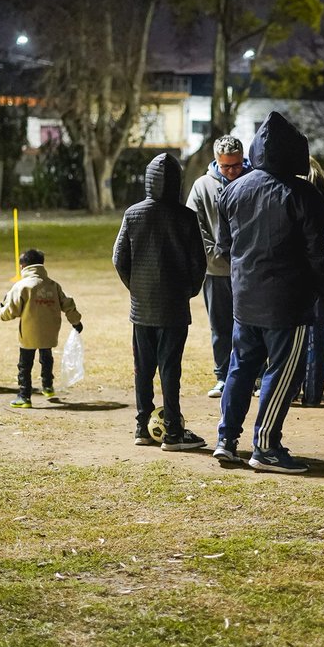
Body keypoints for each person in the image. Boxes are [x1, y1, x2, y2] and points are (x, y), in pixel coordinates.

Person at [211, 111, 324, 473]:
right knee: (282, 372)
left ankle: (226, 440)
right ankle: (265, 446)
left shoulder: (233, 190)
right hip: (287, 303)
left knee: (240, 368)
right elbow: (317, 252)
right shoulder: (303, 194)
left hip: (244, 297)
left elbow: (225, 245)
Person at [114, 153, 208, 451]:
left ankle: (142, 426)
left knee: (143, 369)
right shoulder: (186, 217)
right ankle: (172, 432)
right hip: (174, 308)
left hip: (141, 309)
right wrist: (188, 291)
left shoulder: (133, 214)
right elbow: (199, 262)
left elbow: (119, 259)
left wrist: (136, 288)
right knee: (171, 370)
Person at [185, 135, 251, 399]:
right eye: (226, 167)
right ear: (216, 162)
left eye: (236, 165)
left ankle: (254, 375)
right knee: (220, 326)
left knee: (250, 325)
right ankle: (223, 376)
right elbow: (195, 224)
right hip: (216, 270)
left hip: (249, 269)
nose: (232, 171)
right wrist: (212, 253)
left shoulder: (252, 180)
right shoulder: (202, 187)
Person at [0, 248, 83, 409]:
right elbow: (68, 304)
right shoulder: (53, 285)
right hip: (50, 330)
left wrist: (1, 312)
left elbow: (12, 310)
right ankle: (48, 386)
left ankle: (24, 396)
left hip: (29, 332)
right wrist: (76, 321)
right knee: (46, 357)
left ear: (22, 266)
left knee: (25, 364)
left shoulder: (22, 286)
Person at [298, 157, 324, 406]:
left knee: (295, 333)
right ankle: (312, 394)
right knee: (318, 331)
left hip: (298, 274)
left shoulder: (295, 196)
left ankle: (290, 388)